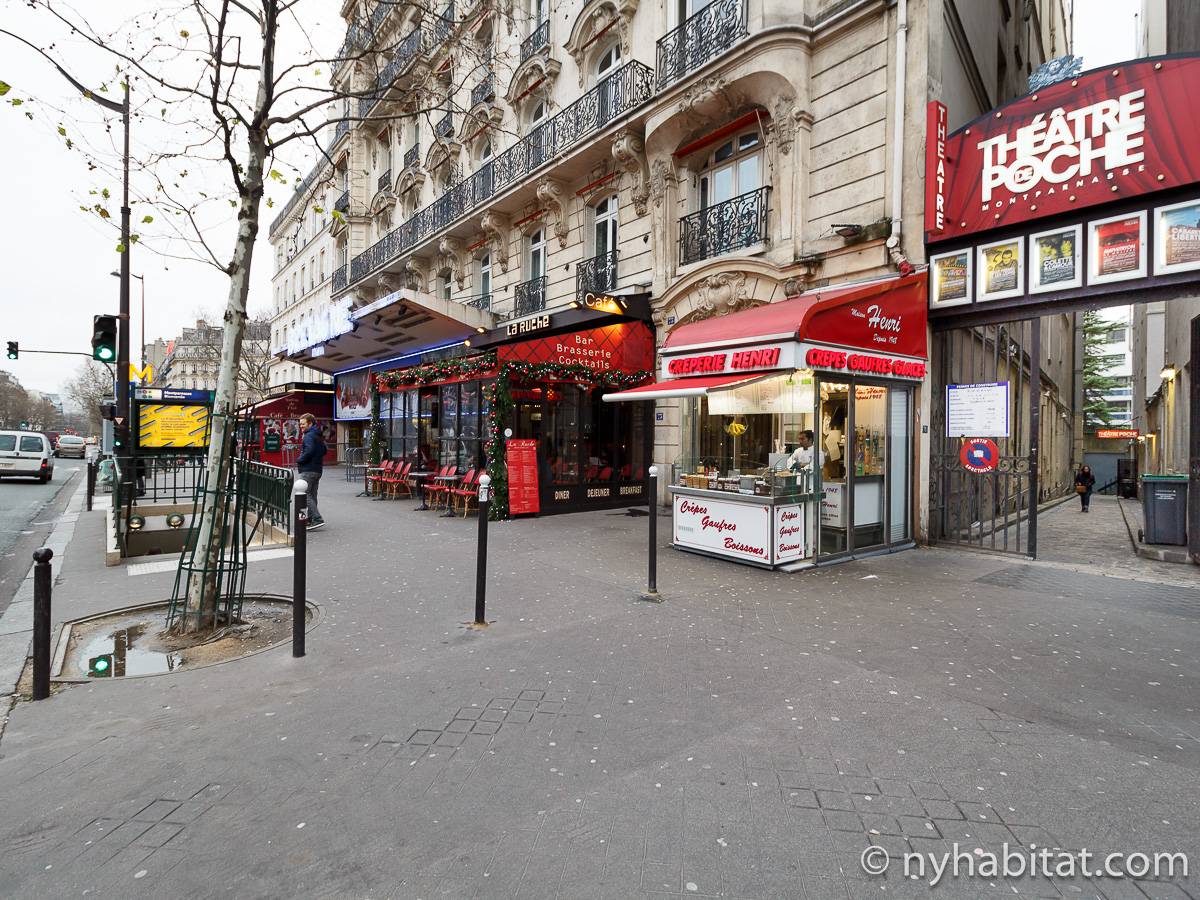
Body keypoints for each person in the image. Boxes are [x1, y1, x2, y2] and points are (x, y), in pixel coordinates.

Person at [296, 413, 327, 530]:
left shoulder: (308, 436)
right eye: (300, 424)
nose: (301, 426)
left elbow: (309, 450)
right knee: (312, 495)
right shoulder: (318, 435)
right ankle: (311, 520)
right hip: (317, 470)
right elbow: (325, 450)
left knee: (305, 494)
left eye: (303, 424)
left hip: (308, 469)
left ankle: (317, 518)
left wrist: (299, 460)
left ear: (310, 423)